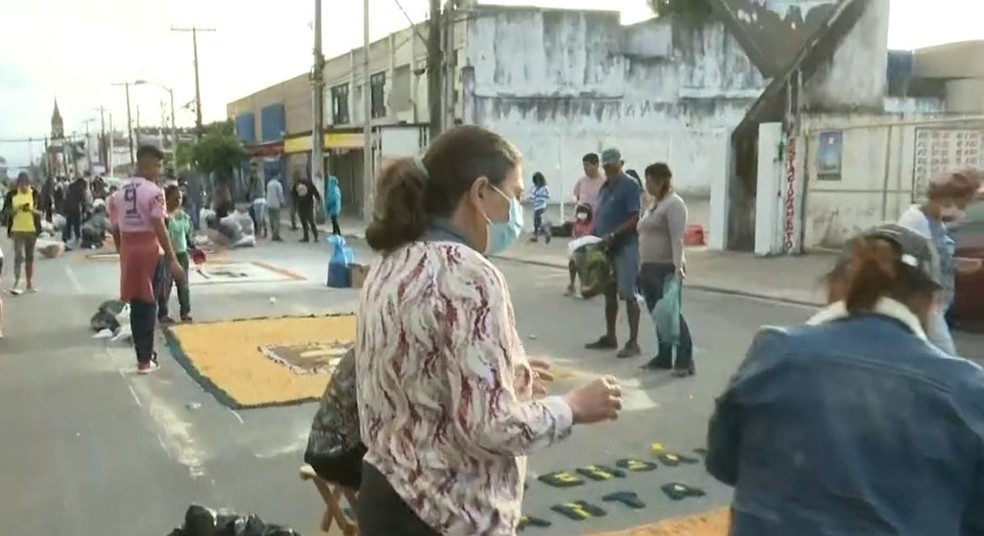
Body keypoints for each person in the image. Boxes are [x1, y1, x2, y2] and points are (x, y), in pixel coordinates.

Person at [357, 125, 622, 535]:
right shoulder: (469, 273)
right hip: (445, 513)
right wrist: (572, 407)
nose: (515, 212)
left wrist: (502, 369)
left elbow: (417, 372)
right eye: (513, 197)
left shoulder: (391, 263)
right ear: (480, 193)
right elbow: (492, 426)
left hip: (387, 496)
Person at [706, 223, 984, 536]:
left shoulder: (774, 352)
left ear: (834, 286)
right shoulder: (967, 389)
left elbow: (722, 463)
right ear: (929, 301)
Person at [109, 145, 184, 374]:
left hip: (129, 248)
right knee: (150, 302)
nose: (158, 170)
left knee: (136, 302)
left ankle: (142, 356)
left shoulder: (118, 194)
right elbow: (158, 224)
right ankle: (146, 358)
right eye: (157, 165)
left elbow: (115, 228)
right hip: (149, 248)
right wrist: (172, 258)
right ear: (146, 164)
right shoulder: (154, 191)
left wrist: (122, 252)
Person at [897, 169, 982, 355]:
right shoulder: (915, 221)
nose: (964, 209)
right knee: (946, 355)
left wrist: (960, 264)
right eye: (963, 203)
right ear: (947, 199)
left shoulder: (938, 222)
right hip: (923, 305)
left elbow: (938, 258)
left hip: (937, 304)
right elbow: (910, 265)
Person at [585, 148, 643, 358]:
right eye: (606, 166)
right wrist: (592, 234)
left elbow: (635, 217)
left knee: (628, 294)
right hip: (605, 245)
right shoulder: (606, 186)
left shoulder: (630, 186)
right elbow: (601, 213)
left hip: (625, 245)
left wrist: (613, 234)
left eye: (612, 165)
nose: (608, 169)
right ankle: (611, 336)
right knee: (609, 292)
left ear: (620, 163)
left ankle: (633, 341)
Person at [637, 163, 694, 375]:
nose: (647, 185)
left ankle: (685, 360)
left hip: (665, 268)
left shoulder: (674, 205)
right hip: (648, 267)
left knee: (671, 315)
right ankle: (663, 356)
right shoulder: (655, 205)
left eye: (649, 180)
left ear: (660, 180)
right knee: (657, 315)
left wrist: (678, 267)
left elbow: (677, 238)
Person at [163, 185, 193, 322]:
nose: (178, 201)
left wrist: (192, 247)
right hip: (167, 254)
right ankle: (163, 314)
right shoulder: (163, 217)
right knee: (165, 285)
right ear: (167, 198)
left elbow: (186, 235)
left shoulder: (184, 216)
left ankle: (185, 313)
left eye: (180, 198)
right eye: (175, 198)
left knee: (184, 285)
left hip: (182, 254)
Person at [8, 172, 40, 295]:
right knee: (18, 256)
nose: (24, 187)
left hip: (31, 230)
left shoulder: (34, 194)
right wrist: (15, 210)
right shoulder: (13, 195)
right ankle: (16, 282)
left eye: (26, 184)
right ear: (18, 183)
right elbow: (7, 213)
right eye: (22, 184)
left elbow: (41, 212)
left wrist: (32, 210)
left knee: (29, 257)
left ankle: (29, 283)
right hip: (17, 230)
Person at [565, 202, 594, 296]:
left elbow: (589, 235)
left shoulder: (591, 224)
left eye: (584, 212)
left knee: (582, 265)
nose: (582, 214)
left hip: (587, 248)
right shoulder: (576, 224)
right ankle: (572, 285)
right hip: (577, 247)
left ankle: (584, 286)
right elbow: (574, 235)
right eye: (580, 212)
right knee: (573, 263)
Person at [292, 172, 321, 243]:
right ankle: (316, 237)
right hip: (309, 204)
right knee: (311, 221)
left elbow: (294, 196)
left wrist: (294, 206)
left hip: (301, 205)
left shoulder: (295, 185)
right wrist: (318, 199)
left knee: (304, 222)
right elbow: (315, 192)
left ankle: (306, 237)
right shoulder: (309, 183)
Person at [62, 174, 88, 247]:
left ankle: (67, 236)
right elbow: (83, 201)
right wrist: (84, 210)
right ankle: (77, 236)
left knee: (68, 222)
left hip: (67, 207)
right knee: (76, 223)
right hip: (75, 208)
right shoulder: (80, 188)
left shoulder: (70, 186)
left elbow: (65, 197)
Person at [528, 171, 550, 242]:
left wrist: (537, 197)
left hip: (541, 206)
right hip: (537, 206)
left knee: (538, 222)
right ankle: (539, 235)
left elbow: (546, 196)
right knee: (537, 222)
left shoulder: (544, 188)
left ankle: (544, 233)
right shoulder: (534, 187)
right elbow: (532, 196)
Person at [265, 172, 285, 241]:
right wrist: (282, 202)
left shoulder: (269, 184)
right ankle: (276, 235)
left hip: (269, 203)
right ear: (276, 175)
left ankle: (273, 233)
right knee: (277, 220)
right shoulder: (278, 184)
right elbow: (280, 194)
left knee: (271, 220)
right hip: (276, 204)